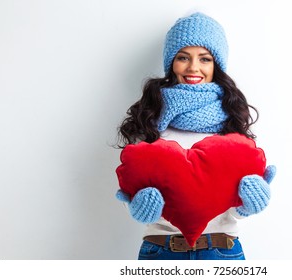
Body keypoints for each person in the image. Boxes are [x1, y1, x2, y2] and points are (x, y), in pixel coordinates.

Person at [115, 12, 276, 260]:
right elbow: (133, 183)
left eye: (205, 59)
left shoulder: (232, 120)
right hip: (161, 252)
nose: (193, 68)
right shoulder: (149, 119)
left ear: (216, 65)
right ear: (171, 62)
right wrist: (139, 208)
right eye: (183, 57)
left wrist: (246, 206)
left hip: (221, 252)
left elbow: (231, 206)